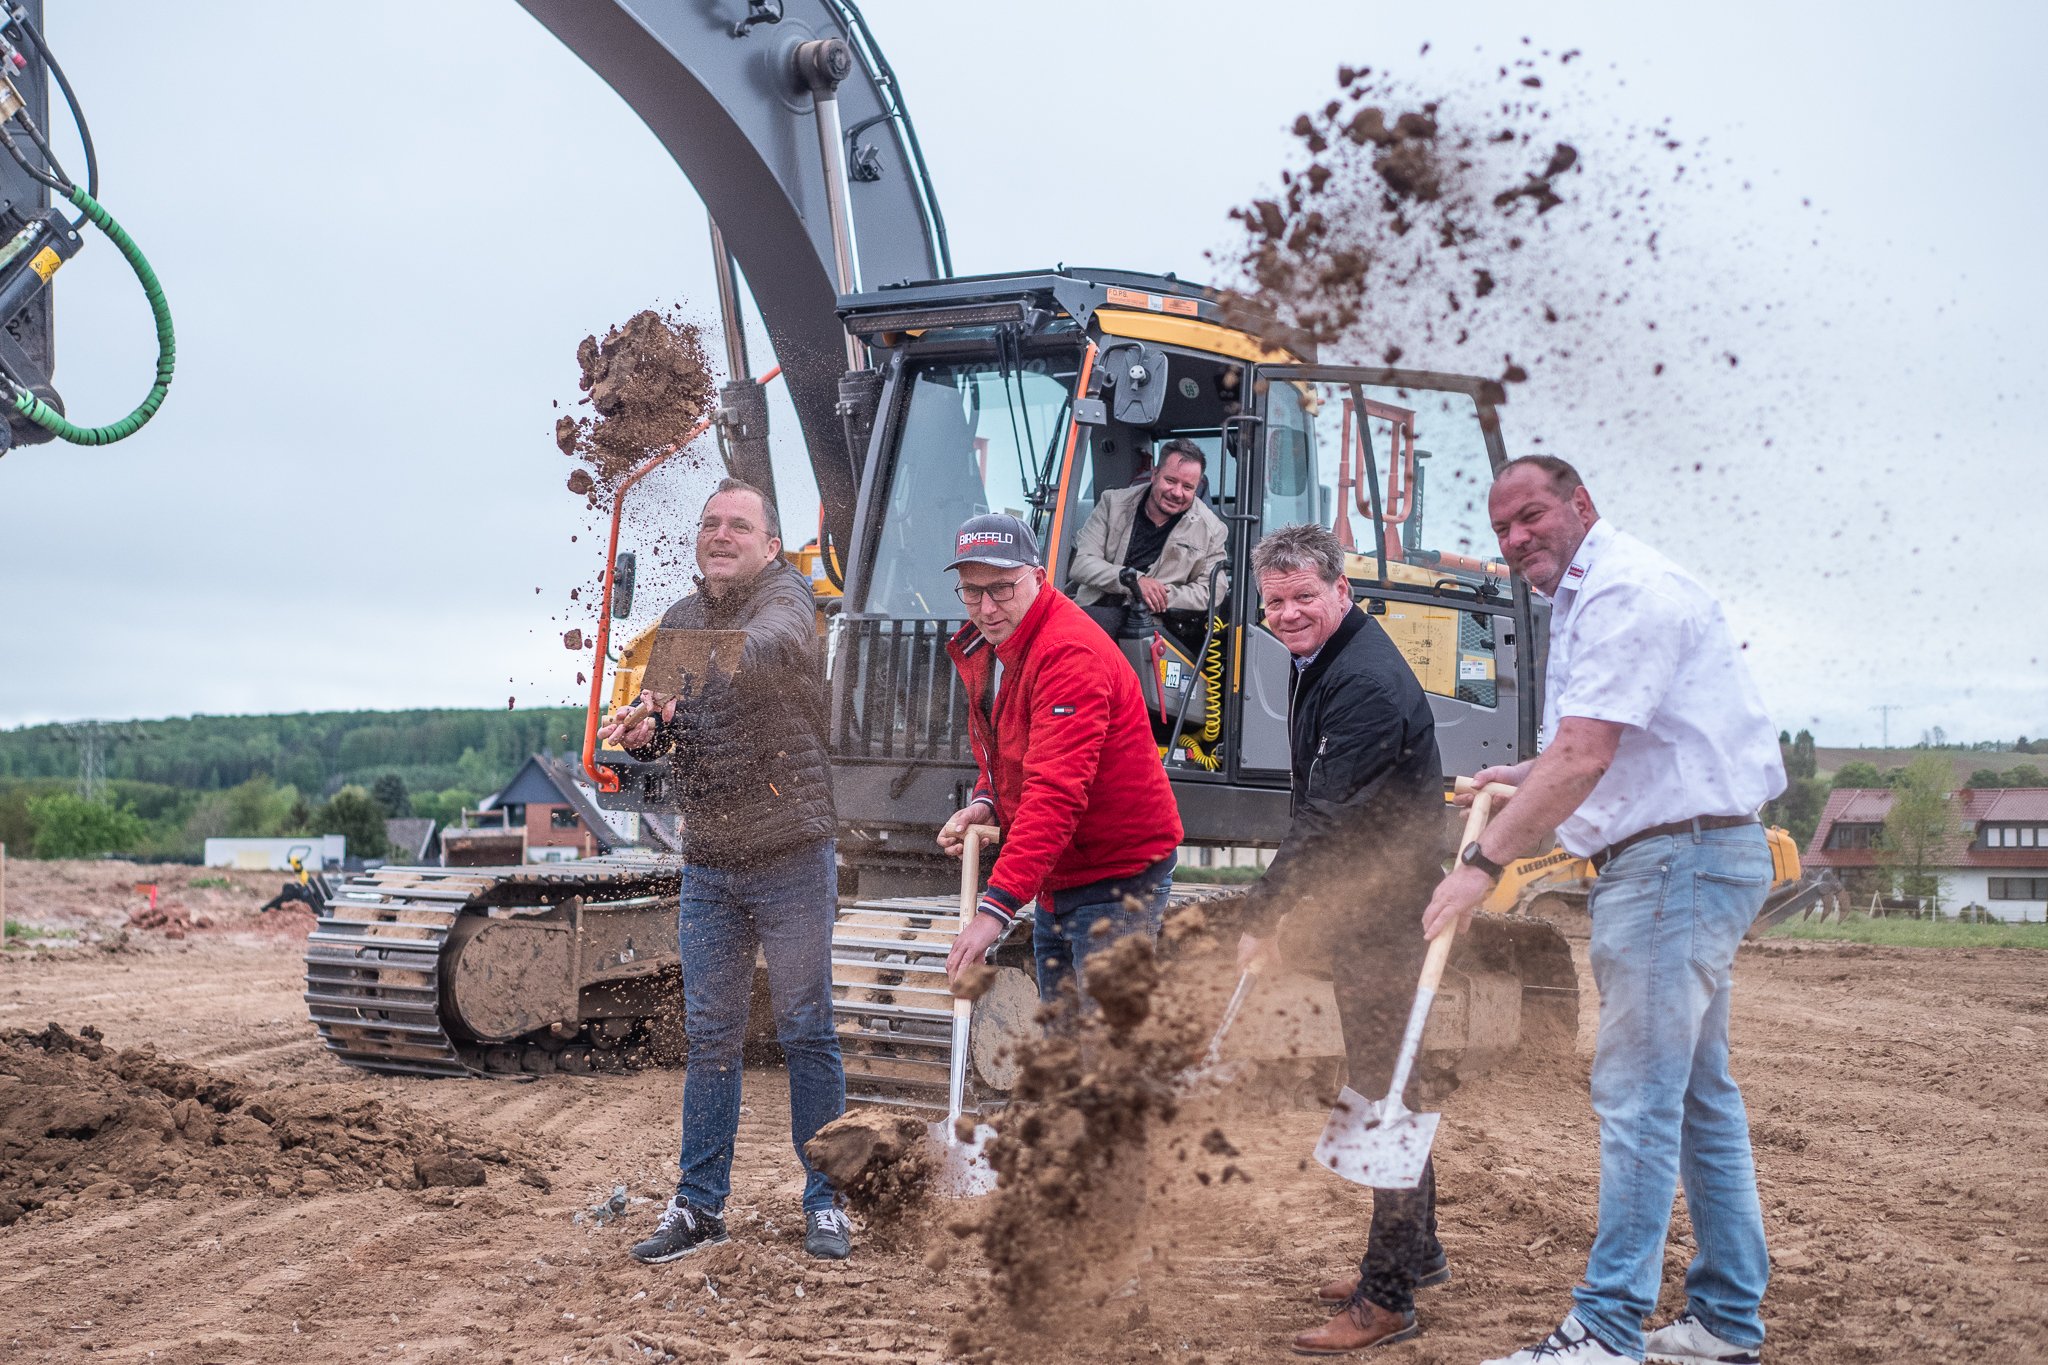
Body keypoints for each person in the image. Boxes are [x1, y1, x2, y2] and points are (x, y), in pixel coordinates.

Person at [1420, 457, 1786, 1365]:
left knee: (1638, 1099)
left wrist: (1480, 866)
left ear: (1581, 503)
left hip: (1675, 862)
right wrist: (1521, 777)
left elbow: (1584, 756)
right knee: (1698, 1098)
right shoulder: (1583, 597)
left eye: (1531, 516)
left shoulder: (1626, 591)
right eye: (1502, 529)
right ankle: (1725, 1321)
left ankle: (1608, 1326)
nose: (1514, 541)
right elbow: (1586, 752)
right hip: (1685, 853)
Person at [598, 477, 854, 1265]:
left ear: (769, 545)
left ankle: (827, 1202)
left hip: (789, 854)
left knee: (807, 1028)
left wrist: (677, 685)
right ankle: (699, 1206)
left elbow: (764, 651)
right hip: (711, 860)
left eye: (738, 525)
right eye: (710, 523)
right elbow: (679, 727)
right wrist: (648, 732)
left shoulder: (790, 602)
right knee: (711, 1036)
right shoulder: (678, 618)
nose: (721, 534)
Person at [1230, 522, 1450, 1355]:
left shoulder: (1360, 682)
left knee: (1386, 1093)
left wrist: (1265, 909)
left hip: (1389, 915)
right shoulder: (1327, 659)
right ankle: (1418, 1252)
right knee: (1384, 1082)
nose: (1287, 613)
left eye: (1303, 598)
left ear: (1341, 592)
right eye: (1275, 601)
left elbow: (1323, 817)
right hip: (1370, 905)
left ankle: (1388, 1296)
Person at [935, 513, 1183, 1004]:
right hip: (1061, 874)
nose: (985, 607)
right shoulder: (996, 646)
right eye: (971, 590)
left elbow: (1056, 792)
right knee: (1066, 1054)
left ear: (1038, 577)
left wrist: (996, 909)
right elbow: (1007, 753)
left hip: (1115, 879)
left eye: (1002, 588)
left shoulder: (1068, 652)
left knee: (1105, 1058)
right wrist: (987, 800)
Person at [1067, 438, 1230, 634]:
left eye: (1188, 487)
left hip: (1155, 622)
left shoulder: (1212, 529)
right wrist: (1135, 583)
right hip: (1094, 607)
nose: (1177, 493)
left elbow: (1210, 592)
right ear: (1154, 474)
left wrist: (1159, 595)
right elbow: (1081, 564)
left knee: (1078, 628)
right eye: (1170, 481)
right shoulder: (1113, 504)